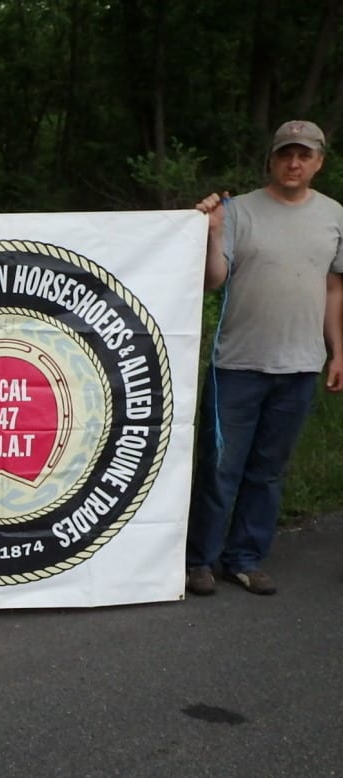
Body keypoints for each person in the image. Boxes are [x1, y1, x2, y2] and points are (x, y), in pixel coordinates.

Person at [186, 120, 343, 597]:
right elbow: (215, 278)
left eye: (304, 155)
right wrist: (213, 232)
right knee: (219, 467)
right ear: (272, 159)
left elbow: (334, 286)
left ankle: (245, 558)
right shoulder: (239, 211)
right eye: (285, 154)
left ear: (318, 161)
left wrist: (338, 351)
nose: (293, 163)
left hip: (299, 365)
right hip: (237, 363)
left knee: (268, 470)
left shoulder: (335, 214)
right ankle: (199, 561)